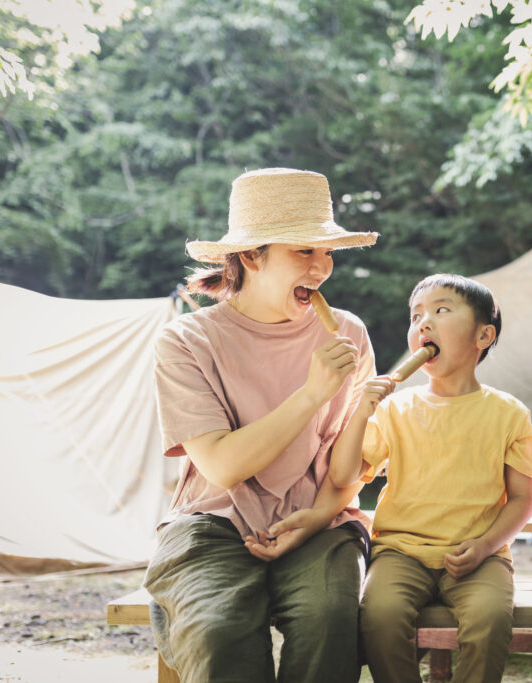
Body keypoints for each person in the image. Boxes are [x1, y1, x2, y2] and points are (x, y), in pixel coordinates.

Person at [143, 167, 378, 683]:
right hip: (212, 521)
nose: (321, 268)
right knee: (219, 631)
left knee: (330, 620)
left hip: (319, 519)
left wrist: (317, 518)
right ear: (251, 256)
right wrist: (313, 391)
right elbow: (223, 466)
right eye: (304, 252)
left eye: (327, 253)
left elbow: (354, 464)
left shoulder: (349, 334)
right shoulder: (187, 341)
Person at [329, 273, 532, 683]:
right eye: (416, 315)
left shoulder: (509, 413)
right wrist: (361, 411)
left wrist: (484, 546)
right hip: (400, 551)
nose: (423, 323)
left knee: (491, 618)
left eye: (441, 310)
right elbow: (342, 474)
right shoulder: (395, 409)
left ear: (483, 336)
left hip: (480, 554)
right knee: (380, 615)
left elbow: (520, 499)